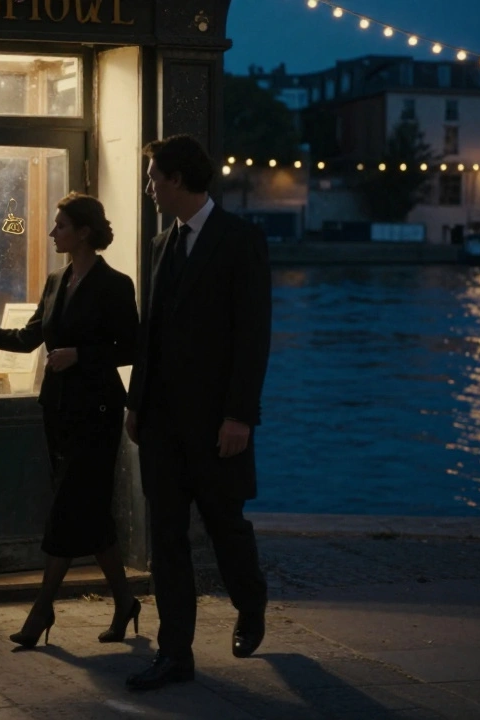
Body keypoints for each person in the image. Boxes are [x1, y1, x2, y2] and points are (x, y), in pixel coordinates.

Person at [0, 192, 140, 648]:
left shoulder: (115, 284)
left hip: (97, 414)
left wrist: (81, 355)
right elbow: (29, 337)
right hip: (58, 412)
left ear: (83, 232)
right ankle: (125, 600)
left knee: (68, 508)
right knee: (90, 512)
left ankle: (42, 608)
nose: (53, 233)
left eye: (61, 226)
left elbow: (131, 347)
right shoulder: (56, 280)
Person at [123, 135, 272, 691]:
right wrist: (136, 404)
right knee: (167, 540)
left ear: (177, 179)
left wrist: (240, 416)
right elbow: (151, 335)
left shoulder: (240, 240)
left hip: (216, 425)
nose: (149, 187)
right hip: (162, 423)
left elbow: (253, 336)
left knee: (225, 528)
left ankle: (250, 603)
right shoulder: (162, 243)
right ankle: (175, 654)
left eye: (153, 177)